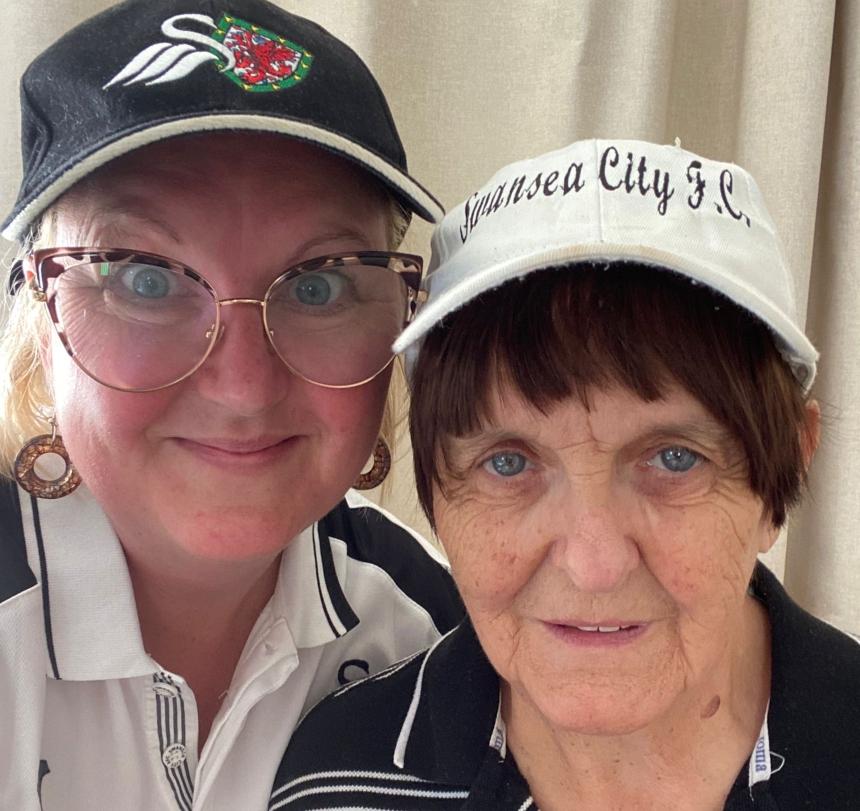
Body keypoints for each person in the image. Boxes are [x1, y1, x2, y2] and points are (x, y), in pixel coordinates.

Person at [269, 139, 860, 810]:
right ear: (434, 491)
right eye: (508, 463)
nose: (593, 566)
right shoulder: (336, 781)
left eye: (674, 458)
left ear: (783, 477)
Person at [0, 1, 465, 809]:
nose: (244, 388)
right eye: (146, 278)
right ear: (40, 318)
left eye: (319, 285)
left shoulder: (426, 630)